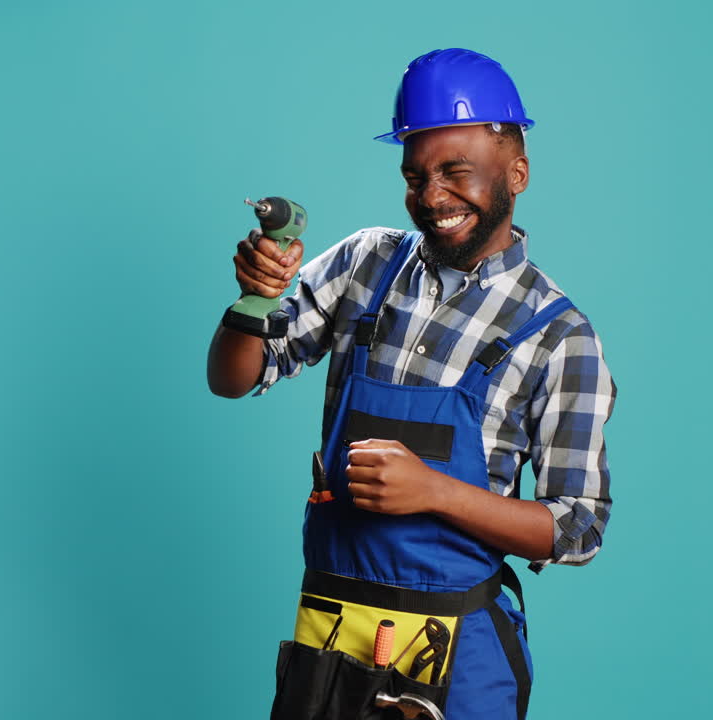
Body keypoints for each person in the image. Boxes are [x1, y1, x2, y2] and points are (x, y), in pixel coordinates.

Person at [207, 49, 615, 720]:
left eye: (456, 172)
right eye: (415, 175)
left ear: (517, 172)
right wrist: (253, 303)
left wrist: (436, 492)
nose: (431, 197)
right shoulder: (366, 263)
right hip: (331, 640)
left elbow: (577, 528)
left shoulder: (558, 335)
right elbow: (234, 377)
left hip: (458, 653)